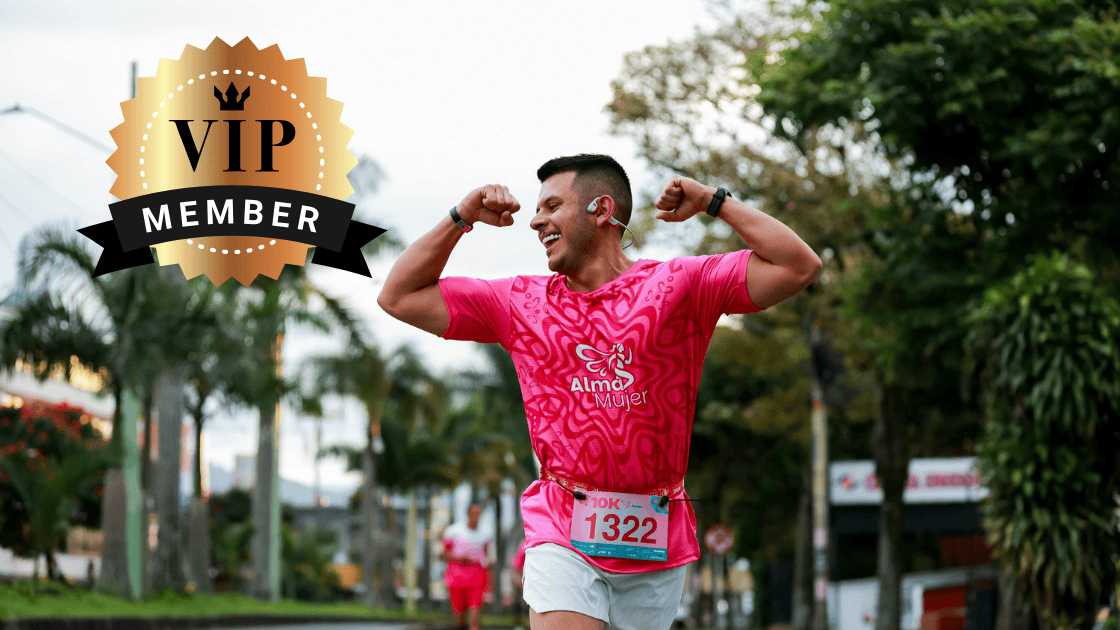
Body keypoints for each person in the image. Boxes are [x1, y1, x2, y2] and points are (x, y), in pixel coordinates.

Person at [379, 154, 821, 630]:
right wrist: (461, 216)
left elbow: (799, 266)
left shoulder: (680, 286)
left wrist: (713, 201)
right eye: (537, 210)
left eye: (552, 206)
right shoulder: (520, 302)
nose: (536, 221)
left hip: (655, 532)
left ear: (602, 209)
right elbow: (398, 296)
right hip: (560, 523)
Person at [441, 503, 492, 630]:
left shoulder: (486, 533)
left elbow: (487, 556)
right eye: (473, 513)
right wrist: (459, 558)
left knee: (474, 620)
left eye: (478, 514)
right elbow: (444, 554)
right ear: (468, 514)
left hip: (477, 576)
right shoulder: (453, 531)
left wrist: (490, 583)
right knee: (459, 619)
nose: (476, 516)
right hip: (456, 576)